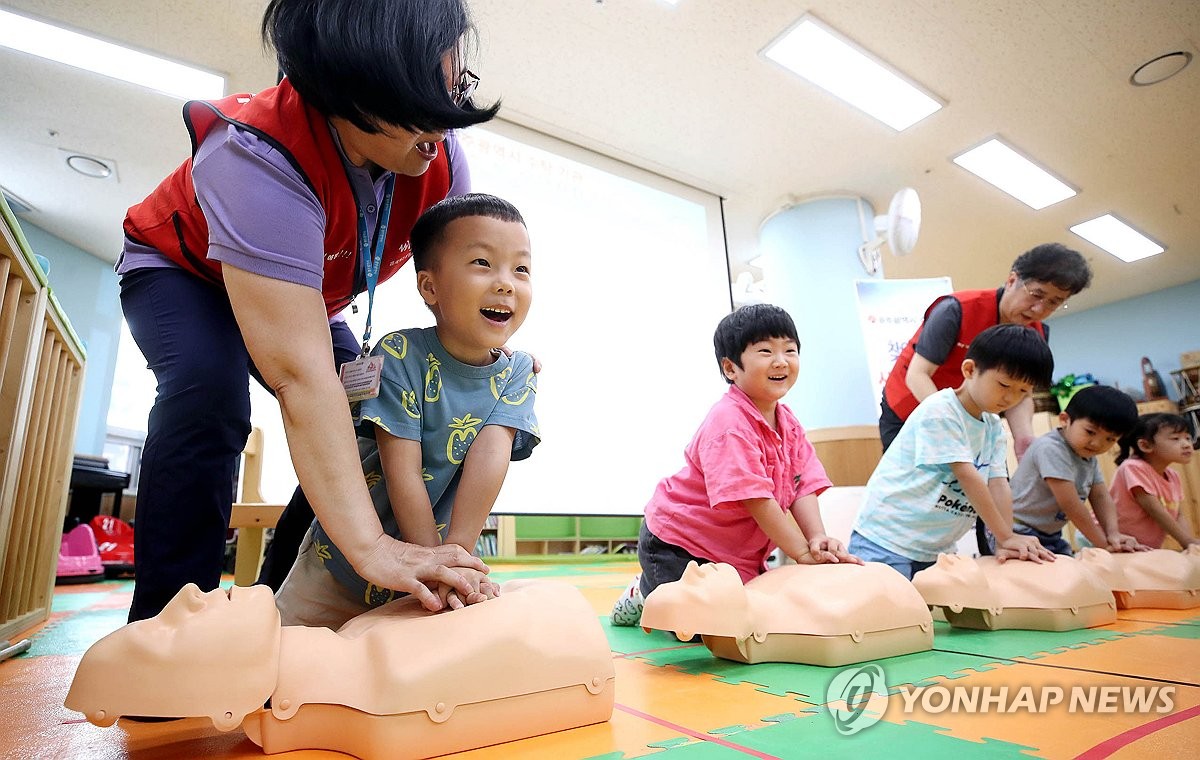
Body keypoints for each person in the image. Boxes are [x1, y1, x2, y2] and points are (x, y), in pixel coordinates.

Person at [118, 0, 498, 622]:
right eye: (427, 92)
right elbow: (300, 375)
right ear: (359, 85)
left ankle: (282, 605)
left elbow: (455, 290)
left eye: (455, 85)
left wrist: (489, 361)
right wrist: (375, 548)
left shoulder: (438, 158)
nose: (448, 115)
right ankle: (168, 629)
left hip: (304, 300)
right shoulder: (255, 155)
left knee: (367, 415)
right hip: (184, 274)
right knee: (208, 394)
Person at [273, 194, 538, 630]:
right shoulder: (399, 354)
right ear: (429, 287)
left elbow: (488, 462)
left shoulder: (519, 372)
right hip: (339, 566)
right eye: (482, 263)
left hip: (435, 570)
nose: (506, 282)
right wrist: (434, 561)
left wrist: (457, 563)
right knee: (284, 665)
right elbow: (404, 473)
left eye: (521, 268)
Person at [65, 580, 615, 758]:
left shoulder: (366, 643)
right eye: (166, 629)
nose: (186, 594)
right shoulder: (388, 677)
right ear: (228, 704)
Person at [611, 304, 859, 627]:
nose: (781, 361)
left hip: (732, 553)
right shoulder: (728, 422)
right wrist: (800, 552)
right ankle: (644, 593)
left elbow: (802, 485)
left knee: (750, 618)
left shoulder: (789, 424)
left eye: (790, 350)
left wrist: (817, 539)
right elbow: (755, 498)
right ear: (731, 368)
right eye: (766, 351)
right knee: (704, 628)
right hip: (678, 546)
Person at [849, 324, 1058, 580]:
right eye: (1004, 384)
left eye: (1023, 392)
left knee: (926, 617)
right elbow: (968, 476)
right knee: (887, 614)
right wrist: (1006, 535)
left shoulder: (992, 427)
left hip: (934, 550)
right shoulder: (942, 410)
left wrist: (1005, 539)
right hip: (886, 540)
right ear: (969, 370)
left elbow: (999, 485)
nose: (1010, 398)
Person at [879, 243, 1093, 455]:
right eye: (1036, 294)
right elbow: (917, 375)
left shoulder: (1036, 335)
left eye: (1054, 302)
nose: (1040, 308)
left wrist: (1023, 439)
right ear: (1012, 280)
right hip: (910, 406)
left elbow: (1021, 392)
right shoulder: (956, 310)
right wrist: (953, 424)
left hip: (968, 418)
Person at [1005, 385, 1145, 556]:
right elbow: (1071, 505)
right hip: (1014, 530)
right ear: (1064, 419)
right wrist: (1105, 546)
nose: (1097, 444)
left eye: (1110, 439)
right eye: (1090, 432)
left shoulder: (1088, 456)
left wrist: (1113, 533)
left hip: (1049, 535)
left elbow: (1101, 496)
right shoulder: (1051, 448)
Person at [1111, 413, 1199, 549]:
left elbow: (1178, 515)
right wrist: (1187, 541)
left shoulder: (1173, 476)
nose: (1187, 444)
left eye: (1187, 438)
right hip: (1109, 541)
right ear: (1145, 445)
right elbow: (1154, 509)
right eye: (1175, 438)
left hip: (1140, 547)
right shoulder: (1133, 467)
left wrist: (1189, 545)